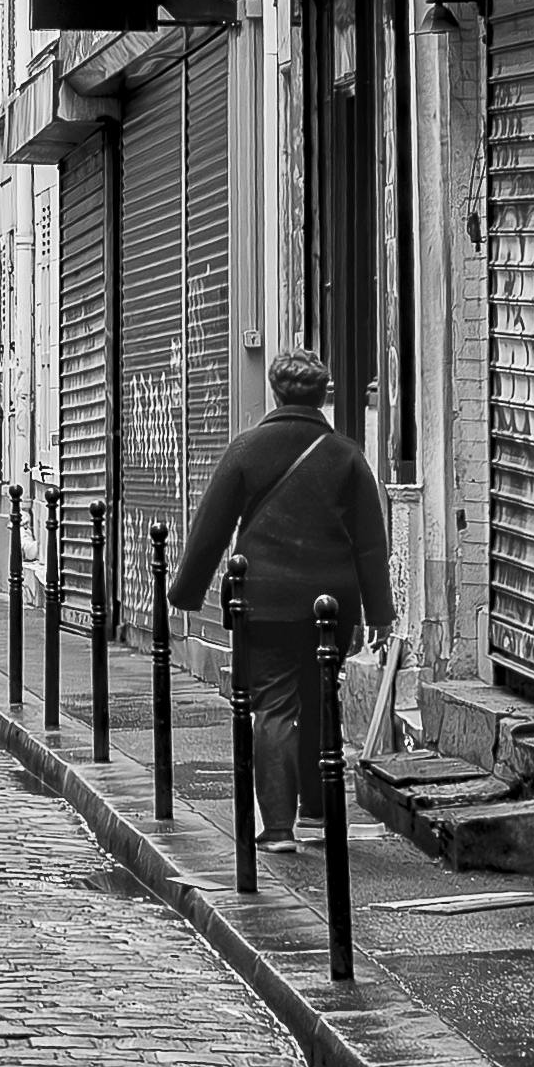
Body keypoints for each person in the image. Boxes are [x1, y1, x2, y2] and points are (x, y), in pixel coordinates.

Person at [170, 343, 395, 850]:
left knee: (273, 705)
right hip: (330, 605)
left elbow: (211, 529)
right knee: (321, 700)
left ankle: (276, 830)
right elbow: (370, 540)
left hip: (265, 600)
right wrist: (380, 612)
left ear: (275, 391)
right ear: (322, 396)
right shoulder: (346, 456)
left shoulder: (247, 448)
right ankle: (317, 811)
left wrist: (184, 592)